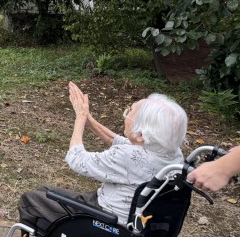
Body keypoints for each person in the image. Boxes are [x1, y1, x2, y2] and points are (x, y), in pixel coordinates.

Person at [19, 81, 188, 228]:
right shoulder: (173, 154)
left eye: (129, 112)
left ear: (142, 134)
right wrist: (89, 119)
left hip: (105, 218)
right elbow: (121, 142)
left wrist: (80, 118)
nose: (126, 114)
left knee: (30, 200)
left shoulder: (125, 156)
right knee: (45, 190)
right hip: (137, 221)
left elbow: (76, 159)